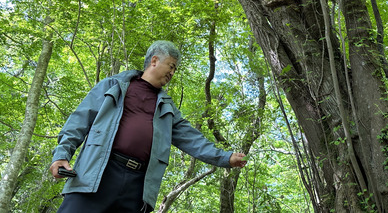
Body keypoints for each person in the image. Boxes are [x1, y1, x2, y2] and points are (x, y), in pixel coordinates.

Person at [49, 40, 247, 212]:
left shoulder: (168, 108)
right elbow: (79, 120)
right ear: (154, 61)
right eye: (171, 66)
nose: (172, 72)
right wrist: (61, 155)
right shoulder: (113, 85)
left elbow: (191, 138)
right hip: (97, 175)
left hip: (138, 187)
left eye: (175, 69)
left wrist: (224, 157)